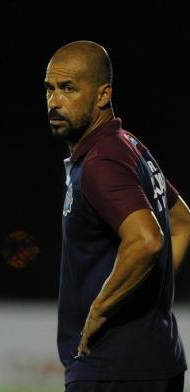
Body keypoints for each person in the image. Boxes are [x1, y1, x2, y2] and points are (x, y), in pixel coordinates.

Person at [44, 40, 190, 392]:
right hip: (156, 355)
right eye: (49, 89)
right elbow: (182, 222)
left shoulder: (101, 162)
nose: (54, 102)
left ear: (102, 95)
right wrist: (151, 300)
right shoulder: (128, 146)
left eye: (68, 88)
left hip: (112, 365)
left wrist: (101, 311)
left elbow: (147, 240)